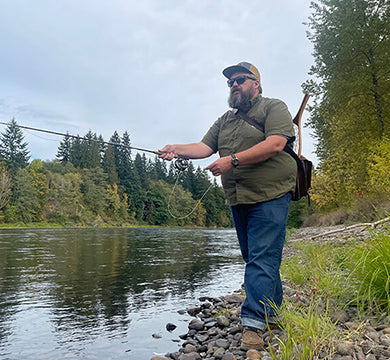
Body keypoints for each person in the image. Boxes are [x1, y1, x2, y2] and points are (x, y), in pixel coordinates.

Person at [158, 61, 296, 350]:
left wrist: (232, 160)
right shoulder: (224, 120)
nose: (234, 85)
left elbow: (275, 144)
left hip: (271, 193)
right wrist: (175, 149)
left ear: (256, 84)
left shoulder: (274, 107)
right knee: (257, 257)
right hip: (238, 197)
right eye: (230, 82)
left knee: (261, 258)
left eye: (241, 80)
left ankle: (254, 324)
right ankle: (272, 313)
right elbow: (204, 148)